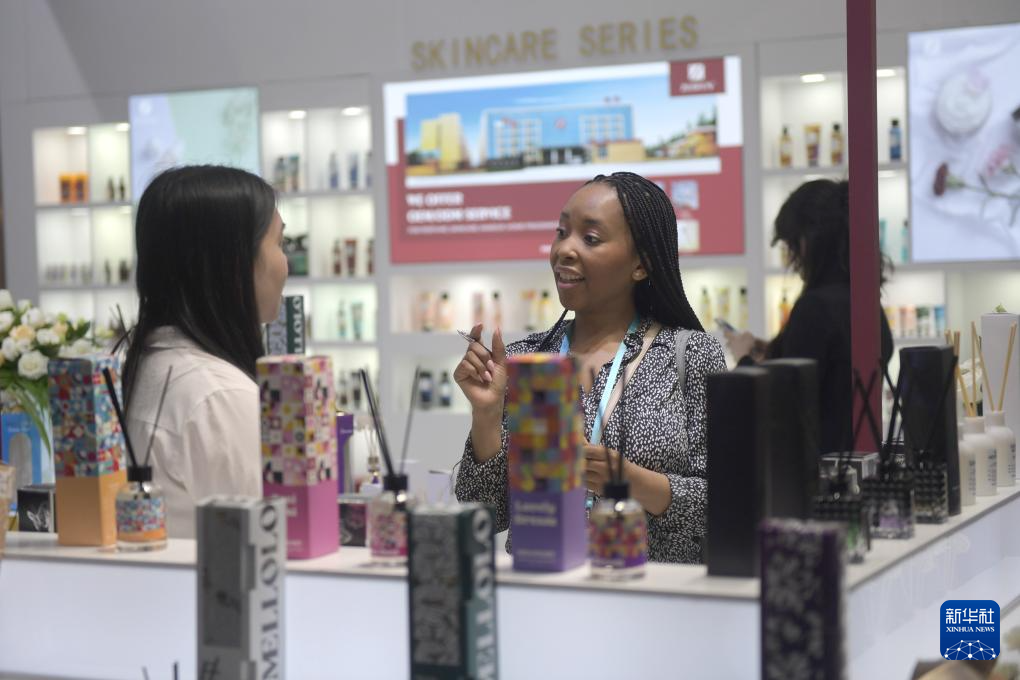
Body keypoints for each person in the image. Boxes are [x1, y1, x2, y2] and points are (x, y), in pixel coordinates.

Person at [453, 172, 726, 564]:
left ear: (641, 264)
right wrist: (486, 415)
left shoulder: (690, 354)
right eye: (561, 232)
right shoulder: (528, 361)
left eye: (591, 238)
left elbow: (726, 503)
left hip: (649, 590)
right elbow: (484, 514)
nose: (564, 249)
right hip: (544, 585)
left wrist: (632, 481)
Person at [120, 165, 288, 538]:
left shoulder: (150, 364)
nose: (284, 264)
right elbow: (270, 542)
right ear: (234, 262)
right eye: (279, 243)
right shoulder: (219, 396)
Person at [726, 179, 893, 455]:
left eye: (793, 244)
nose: (793, 258)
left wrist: (743, 358)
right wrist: (776, 350)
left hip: (818, 467)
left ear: (811, 241)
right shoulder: (864, 303)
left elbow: (781, 405)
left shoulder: (815, 308)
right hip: (857, 460)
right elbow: (828, 373)